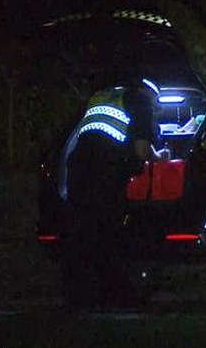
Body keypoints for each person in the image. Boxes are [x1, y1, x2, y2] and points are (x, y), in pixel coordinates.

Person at [63, 80, 169, 309]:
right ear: (152, 95)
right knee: (110, 233)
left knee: (82, 233)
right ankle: (117, 295)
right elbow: (141, 150)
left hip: (78, 170)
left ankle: (78, 296)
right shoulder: (143, 102)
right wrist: (159, 156)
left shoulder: (102, 95)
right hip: (106, 174)